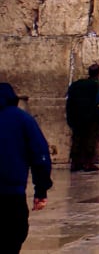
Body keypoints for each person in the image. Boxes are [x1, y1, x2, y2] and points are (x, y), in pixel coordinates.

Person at [0, 83, 52, 254]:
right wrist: (41, 190)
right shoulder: (22, 119)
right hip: (11, 193)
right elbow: (40, 156)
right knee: (13, 235)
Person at [65, 62, 99, 172]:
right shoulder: (98, 84)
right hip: (91, 116)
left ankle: (75, 163)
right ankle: (87, 163)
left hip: (76, 116)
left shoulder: (76, 85)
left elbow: (69, 101)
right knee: (90, 139)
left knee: (77, 138)